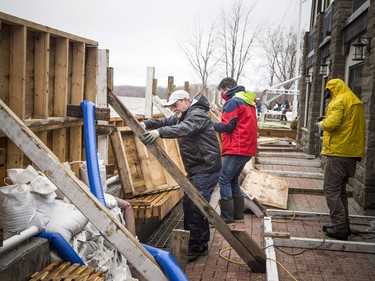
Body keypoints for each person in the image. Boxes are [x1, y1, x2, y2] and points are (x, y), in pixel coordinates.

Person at [141, 89, 221, 261]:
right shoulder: (184, 114)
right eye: (172, 106)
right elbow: (166, 121)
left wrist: (159, 133)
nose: (174, 109)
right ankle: (201, 244)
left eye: (176, 105)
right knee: (195, 205)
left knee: (194, 207)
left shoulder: (197, 114)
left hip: (206, 168)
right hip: (198, 168)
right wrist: (147, 124)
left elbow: (184, 128)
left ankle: (193, 248)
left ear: (186, 101)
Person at [316, 78, 365, 240]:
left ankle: (340, 229)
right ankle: (343, 226)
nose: (329, 97)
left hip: (339, 152)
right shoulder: (353, 100)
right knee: (340, 191)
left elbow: (332, 124)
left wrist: (321, 124)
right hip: (351, 153)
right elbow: (345, 123)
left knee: (331, 190)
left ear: (332, 90)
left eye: (329, 94)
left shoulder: (339, 100)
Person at [212, 77, 258, 224]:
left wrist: (209, 124)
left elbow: (227, 126)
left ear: (226, 89)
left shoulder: (233, 102)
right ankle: (237, 215)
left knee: (224, 179)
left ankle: (226, 217)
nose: (221, 95)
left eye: (221, 92)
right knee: (233, 180)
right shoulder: (246, 100)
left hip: (236, 148)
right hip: (247, 148)